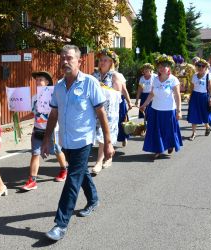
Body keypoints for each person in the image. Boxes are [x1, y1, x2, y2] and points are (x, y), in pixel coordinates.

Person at [41, 45, 114, 241]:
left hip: (83, 140)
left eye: (70, 58)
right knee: (80, 172)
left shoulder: (90, 83)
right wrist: (46, 139)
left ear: (79, 61)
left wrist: (107, 142)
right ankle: (93, 199)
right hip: (66, 140)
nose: (65, 61)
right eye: (63, 58)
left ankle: (60, 224)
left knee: (72, 179)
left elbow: (101, 113)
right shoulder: (58, 87)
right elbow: (54, 114)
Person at [21, 71, 67, 191]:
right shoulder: (34, 97)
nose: (38, 82)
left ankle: (64, 170)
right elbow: (33, 113)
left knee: (56, 150)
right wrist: (19, 118)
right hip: (37, 130)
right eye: (36, 80)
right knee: (35, 153)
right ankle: (32, 180)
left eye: (40, 79)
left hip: (51, 130)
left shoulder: (54, 95)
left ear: (47, 82)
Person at [92, 49, 131, 174]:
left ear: (111, 63)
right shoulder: (94, 75)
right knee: (96, 134)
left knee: (104, 134)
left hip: (109, 111)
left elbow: (117, 94)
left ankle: (99, 161)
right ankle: (108, 157)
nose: (102, 62)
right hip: (95, 110)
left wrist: (104, 90)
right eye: (101, 60)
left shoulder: (115, 76)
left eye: (105, 60)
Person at [140, 54, 183, 159]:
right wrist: (144, 105)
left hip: (169, 110)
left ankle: (170, 144)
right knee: (156, 131)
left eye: (165, 66)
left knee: (168, 130)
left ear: (169, 67)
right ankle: (158, 149)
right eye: (160, 66)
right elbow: (151, 94)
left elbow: (177, 96)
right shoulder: (155, 79)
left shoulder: (173, 80)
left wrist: (179, 111)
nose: (162, 68)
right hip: (155, 109)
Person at [187, 59, 211, 140]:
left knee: (204, 114)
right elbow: (191, 88)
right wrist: (189, 97)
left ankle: (207, 126)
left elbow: (210, 88)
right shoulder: (194, 76)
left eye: (202, 66)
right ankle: (193, 133)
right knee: (193, 114)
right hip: (195, 96)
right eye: (199, 66)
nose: (200, 67)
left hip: (204, 96)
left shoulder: (209, 75)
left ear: (206, 67)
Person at [112, 72, 132, 147]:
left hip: (119, 100)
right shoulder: (100, 74)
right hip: (106, 101)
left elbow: (124, 89)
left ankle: (123, 138)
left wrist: (129, 102)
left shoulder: (119, 75)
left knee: (121, 120)